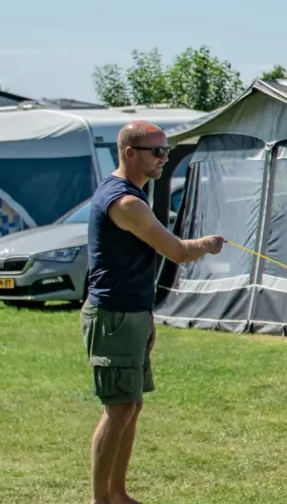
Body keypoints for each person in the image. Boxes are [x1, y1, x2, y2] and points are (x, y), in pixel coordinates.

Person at [83, 121, 225, 504]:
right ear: (130, 153)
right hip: (113, 316)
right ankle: (101, 499)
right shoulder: (126, 202)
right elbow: (177, 251)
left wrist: (146, 316)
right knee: (119, 407)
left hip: (132, 312)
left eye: (165, 151)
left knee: (132, 405)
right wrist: (208, 244)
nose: (164, 159)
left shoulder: (132, 196)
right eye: (157, 151)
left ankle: (118, 493)